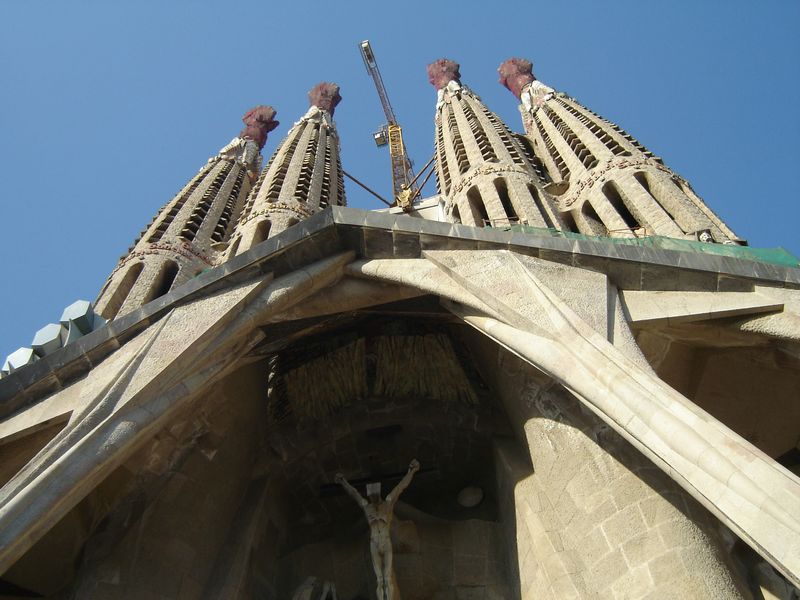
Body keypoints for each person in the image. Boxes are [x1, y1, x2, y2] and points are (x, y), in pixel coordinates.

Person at [334, 459, 420, 600]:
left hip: (385, 543)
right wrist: (343, 481)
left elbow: (400, 487)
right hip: (374, 543)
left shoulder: (388, 503)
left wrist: (411, 471)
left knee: (387, 579)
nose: (371, 497)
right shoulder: (366, 506)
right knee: (379, 580)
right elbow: (354, 493)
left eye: (373, 495)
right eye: (370, 495)